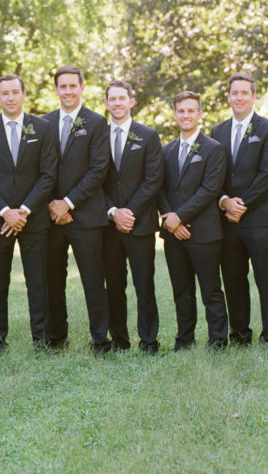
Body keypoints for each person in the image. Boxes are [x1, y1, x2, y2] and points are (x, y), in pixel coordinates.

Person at [0, 74, 58, 352]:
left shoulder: (42, 128)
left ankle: (41, 339)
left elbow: (48, 175)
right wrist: (4, 211)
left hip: (34, 219)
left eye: (14, 92)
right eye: (4, 93)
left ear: (24, 95)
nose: (10, 97)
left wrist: (23, 211)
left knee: (38, 280)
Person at [42, 65, 111, 354]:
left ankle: (100, 340)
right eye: (63, 86)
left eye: (73, 86)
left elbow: (98, 170)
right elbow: (39, 170)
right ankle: (56, 337)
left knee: (93, 280)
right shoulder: (43, 123)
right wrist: (51, 205)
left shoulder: (96, 123)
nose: (68, 91)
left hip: (86, 215)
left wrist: (68, 203)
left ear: (82, 87)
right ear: (55, 89)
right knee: (52, 279)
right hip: (50, 217)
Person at [211, 72, 268, 346]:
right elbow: (212, 175)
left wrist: (242, 204)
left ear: (254, 96)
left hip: (261, 218)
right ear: (228, 96)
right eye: (234, 93)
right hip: (227, 220)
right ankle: (240, 334)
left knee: (267, 278)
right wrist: (224, 201)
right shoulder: (217, 131)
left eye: (244, 93)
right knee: (233, 278)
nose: (239, 97)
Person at [159, 91, 228, 350]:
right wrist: (171, 221)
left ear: (200, 114)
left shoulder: (213, 149)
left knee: (211, 289)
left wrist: (181, 217)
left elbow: (210, 190)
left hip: (204, 232)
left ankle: (218, 340)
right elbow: (159, 189)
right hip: (173, 233)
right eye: (181, 111)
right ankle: (184, 339)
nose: (185, 115)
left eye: (191, 111)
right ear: (175, 115)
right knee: (181, 290)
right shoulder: (165, 151)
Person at [101, 80, 163, 353]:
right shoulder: (98, 135)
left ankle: (149, 340)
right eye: (112, 99)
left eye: (121, 98)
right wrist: (114, 212)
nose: (117, 103)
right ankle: (119, 340)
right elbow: (94, 180)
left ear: (131, 102)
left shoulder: (148, 136)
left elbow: (153, 180)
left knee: (144, 284)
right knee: (114, 285)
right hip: (108, 225)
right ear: (106, 104)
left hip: (140, 224)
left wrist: (130, 212)